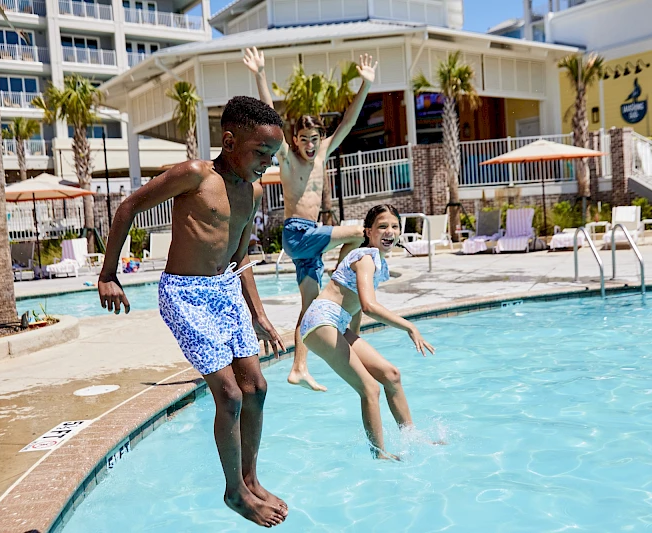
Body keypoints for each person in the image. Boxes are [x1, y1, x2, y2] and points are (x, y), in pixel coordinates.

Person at [97, 96, 289, 528]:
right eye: (260, 152)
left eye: (272, 156)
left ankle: (251, 478)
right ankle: (234, 492)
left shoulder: (252, 192)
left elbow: (241, 257)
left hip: (224, 291)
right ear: (229, 140)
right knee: (230, 394)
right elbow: (128, 207)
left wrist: (257, 313)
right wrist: (108, 273)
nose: (266, 163)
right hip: (184, 294)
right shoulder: (195, 175)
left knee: (256, 387)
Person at [243, 47, 379, 393]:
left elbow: (348, 121)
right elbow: (271, 115)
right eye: (303, 140)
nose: (309, 145)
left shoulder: (323, 155)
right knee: (361, 234)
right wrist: (260, 73)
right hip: (298, 232)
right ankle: (343, 276)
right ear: (294, 140)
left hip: (309, 247)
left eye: (314, 140)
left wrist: (365, 85)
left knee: (310, 307)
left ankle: (298, 367)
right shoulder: (287, 160)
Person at [300, 205, 435, 459]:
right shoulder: (365, 257)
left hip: (337, 324)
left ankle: (412, 437)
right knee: (370, 388)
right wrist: (409, 326)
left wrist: (356, 336)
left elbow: (354, 304)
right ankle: (380, 454)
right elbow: (368, 305)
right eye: (382, 226)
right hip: (321, 320)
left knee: (391, 375)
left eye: (395, 226)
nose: (389, 231)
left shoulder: (379, 264)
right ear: (369, 232)